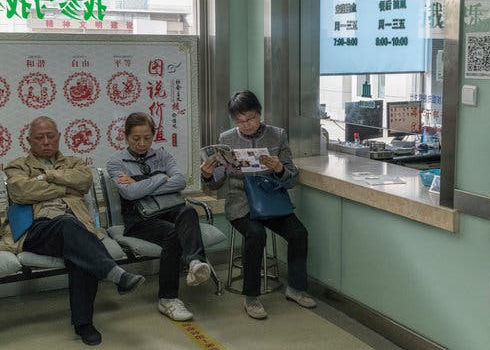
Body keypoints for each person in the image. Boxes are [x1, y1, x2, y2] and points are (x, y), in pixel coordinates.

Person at [3, 116, 145, 346]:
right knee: (71, 228)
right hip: (35, 228)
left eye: (51, 136)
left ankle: (84, 324)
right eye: (39, 137)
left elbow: (84, 180)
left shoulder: (75, 161)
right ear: (29, 140)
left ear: (59, 137)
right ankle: (116, 275)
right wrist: (66, 187)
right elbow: (20, 191)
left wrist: (46, 177)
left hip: (76, 225)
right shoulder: (18, 165)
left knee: (78, 246)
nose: (46, 141)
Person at [200, 90, 316, 320]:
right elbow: (216, 184)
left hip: (271, 200)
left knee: (299, 233)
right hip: (241, 203)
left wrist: (279, 169)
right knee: (256, 234)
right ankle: (251, 297)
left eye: (251, 118)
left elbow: (292, 179)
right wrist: (207, 176)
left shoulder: (278, 135)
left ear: (260, 113)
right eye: (240, 121)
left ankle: (295, 287)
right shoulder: (226, 139)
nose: (247, 125)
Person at [106, 112, 211, 322]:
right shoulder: (116, 163)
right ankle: (167, 299)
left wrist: (139, 182)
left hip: (169, 211)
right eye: (136, 138)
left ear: (153, 136)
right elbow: (129, 194)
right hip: (139, 220)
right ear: (126, 136)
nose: (142, 143)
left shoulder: (163, 156)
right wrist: (161, 177)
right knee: (173, 234)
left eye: (147, 138)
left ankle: (194, 263)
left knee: (189, 211)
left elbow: (180, 182)